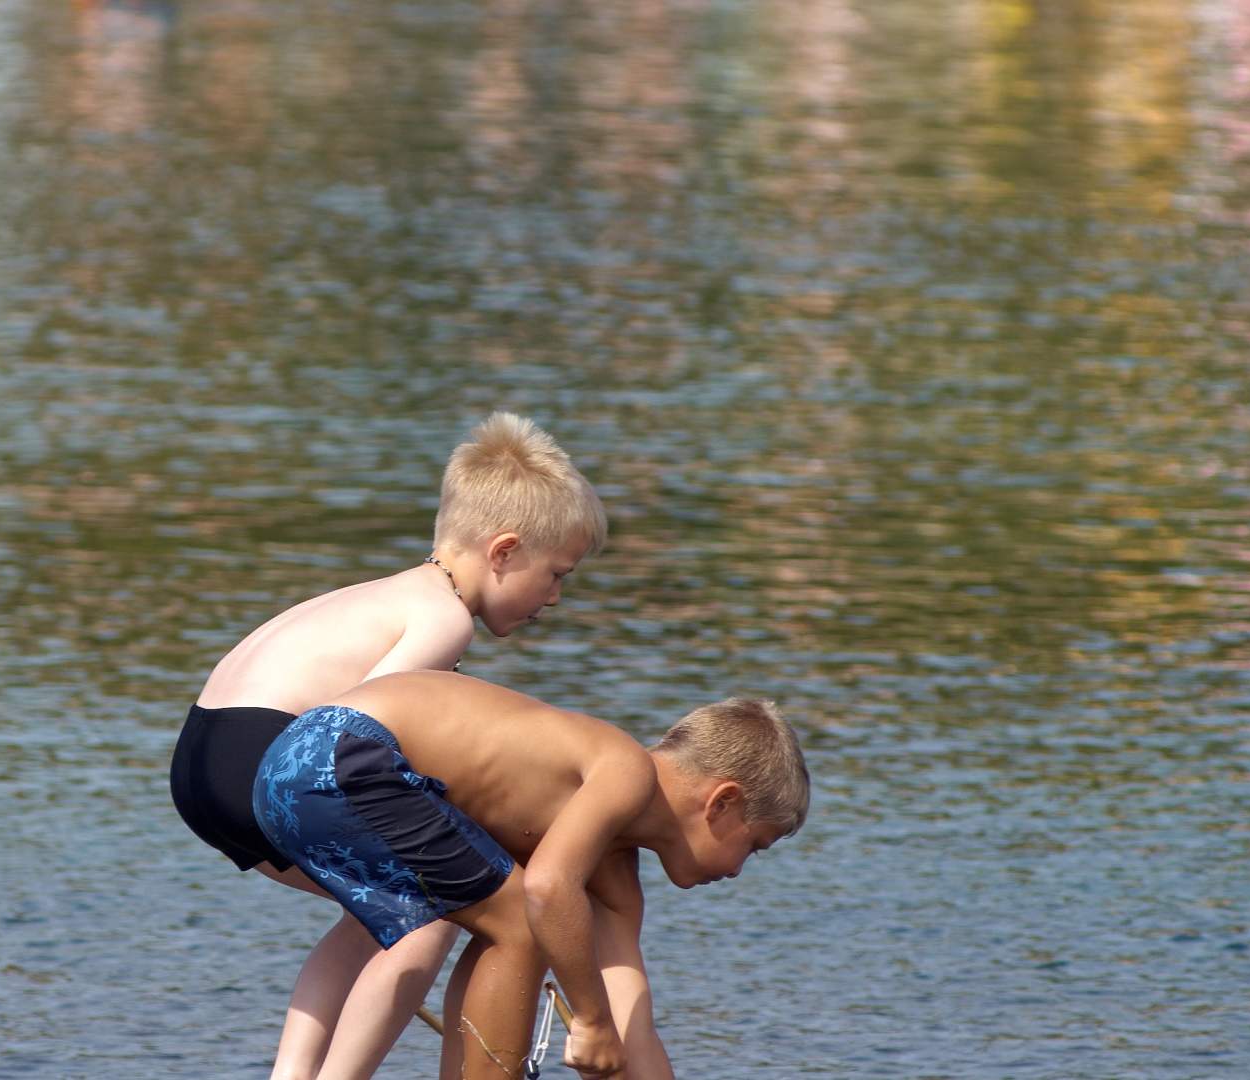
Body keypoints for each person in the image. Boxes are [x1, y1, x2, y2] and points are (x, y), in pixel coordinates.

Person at [170, 412, 607, 1079]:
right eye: (556, 575)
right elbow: (352, 737)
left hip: (205, 760)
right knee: (430, 907)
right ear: (504, 551)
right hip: (269, 750)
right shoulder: (443, 620)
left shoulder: (395, 593)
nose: (553, 597)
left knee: (373, 909)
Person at [253, 670, 810, 1080]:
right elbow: (546, 890)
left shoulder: (615, 878)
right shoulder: (625, 771)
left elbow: (631, 1028)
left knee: (515, 925)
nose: (738, 871)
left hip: (298, 768)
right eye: (754, 846)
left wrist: (607, 1028)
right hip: (335, 753)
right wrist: (589, 1020)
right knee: (527, 917)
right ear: (722, 803)